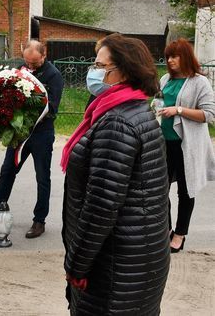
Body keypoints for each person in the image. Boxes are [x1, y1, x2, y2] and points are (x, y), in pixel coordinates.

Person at [61, 33, 170, 315]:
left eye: (99, 66)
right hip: (137, 258)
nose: (93, 72)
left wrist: (76, 265)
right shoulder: (135, 109)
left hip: (114, 265)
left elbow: (101, 207)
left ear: (122, 70)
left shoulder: (117, 121)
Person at [0, 40, 63, 238]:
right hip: (19, 134)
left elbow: (53, 108)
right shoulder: (21, 69)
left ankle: (39, 220)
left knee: (42, 177)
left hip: (41, 134)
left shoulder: (54, 75)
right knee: (7, 171)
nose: (30, 67)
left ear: (44, 55)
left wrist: (27, 112)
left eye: (35, 63)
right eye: (27, 62)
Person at [158, 38, 215, 253]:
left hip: (187, 146)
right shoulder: (165, 79)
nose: (170, 60)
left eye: (175, 56)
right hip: (164, 144)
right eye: (168, 57)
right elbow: (160, 102)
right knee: (159, 190)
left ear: (186, 57)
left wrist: (178, 110)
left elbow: (209, 114)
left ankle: (180, 235)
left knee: (185, 191)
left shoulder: (199, 82)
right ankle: (166, 230)